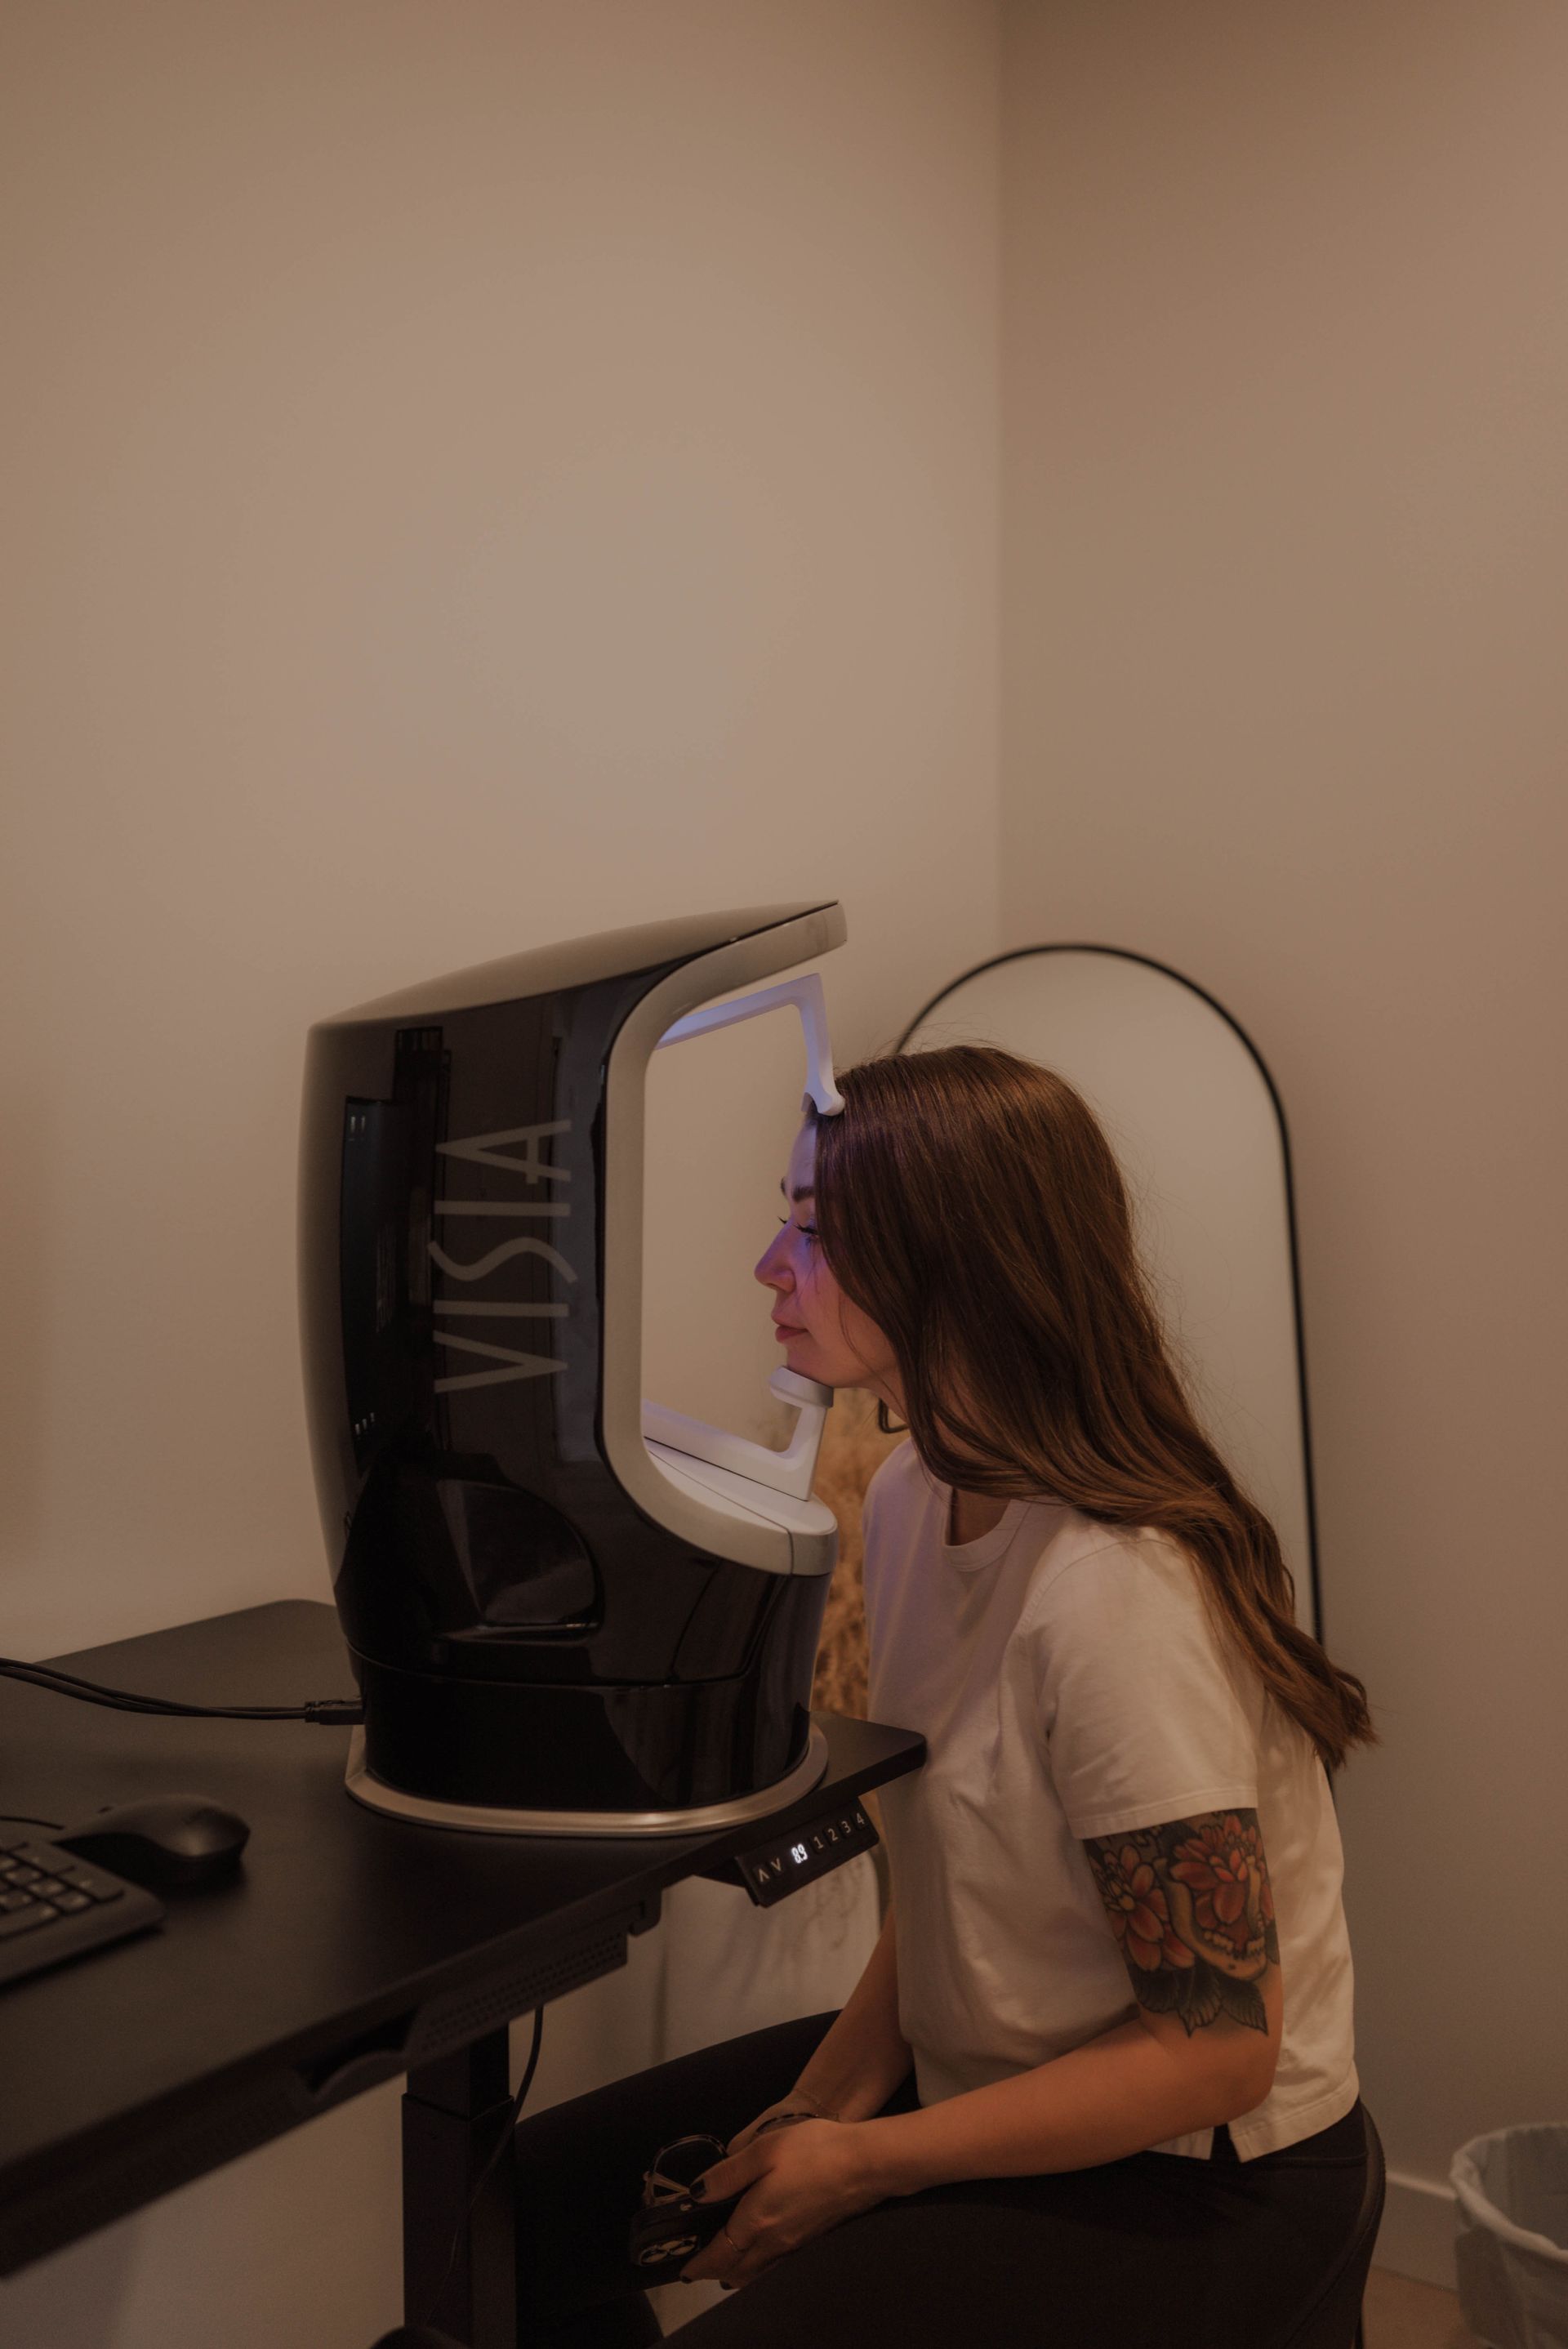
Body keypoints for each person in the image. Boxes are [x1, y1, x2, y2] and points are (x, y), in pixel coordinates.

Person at [512, 1045, 1377, 2348]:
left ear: (949, 1265)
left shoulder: (1116, 1593)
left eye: (809, 1233)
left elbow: (1216, 2052)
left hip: (1200, 2176)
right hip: (985, 2068)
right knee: (517, 2218)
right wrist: (821, 2107)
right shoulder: (918, 1501)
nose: (766, 1265)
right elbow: (959, 1886)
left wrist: (864, 2166)